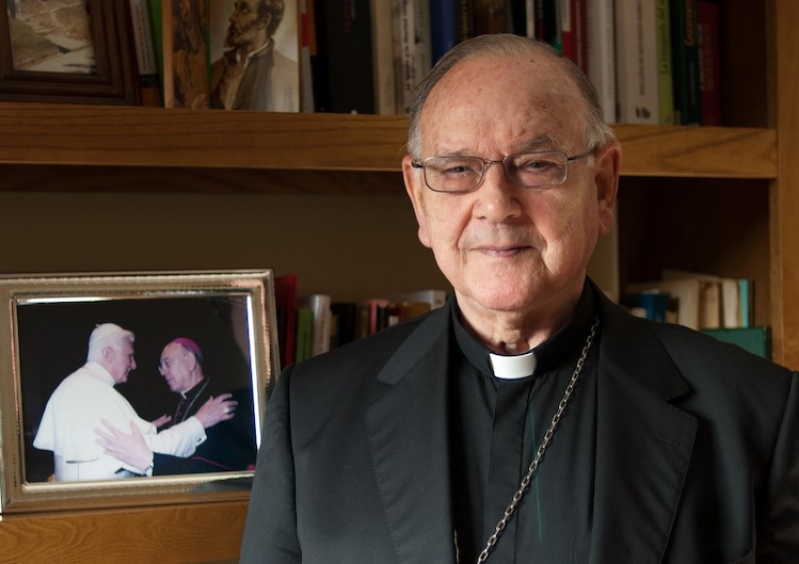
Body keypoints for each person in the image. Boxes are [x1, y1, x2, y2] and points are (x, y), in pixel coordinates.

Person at [239, 34, 799, 563]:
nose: (496, 205)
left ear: (603, 186)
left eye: (535, 165)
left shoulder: (758, 414)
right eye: (458, 169)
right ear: (417, 197)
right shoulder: (309, 416)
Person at [33, 323, 235, 482]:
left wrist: (146, 429)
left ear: (190, 362)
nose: (134, 364)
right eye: (129, 356)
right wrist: (200, 420)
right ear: (108, 354)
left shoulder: (77, 384)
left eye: (167, 363)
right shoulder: (93, 390)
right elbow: (145, 454)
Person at [96, 337, 257, 475]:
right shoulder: (175, 406)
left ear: (189, 361)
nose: (162, 372)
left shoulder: (220, 401)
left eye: (167, 363)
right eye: (160, 366)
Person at [209, 0, 298, 112]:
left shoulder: (290, 75)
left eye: (244, 10)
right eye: (236, 8)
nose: (232, 17)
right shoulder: (214, 70)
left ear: (264, 21)